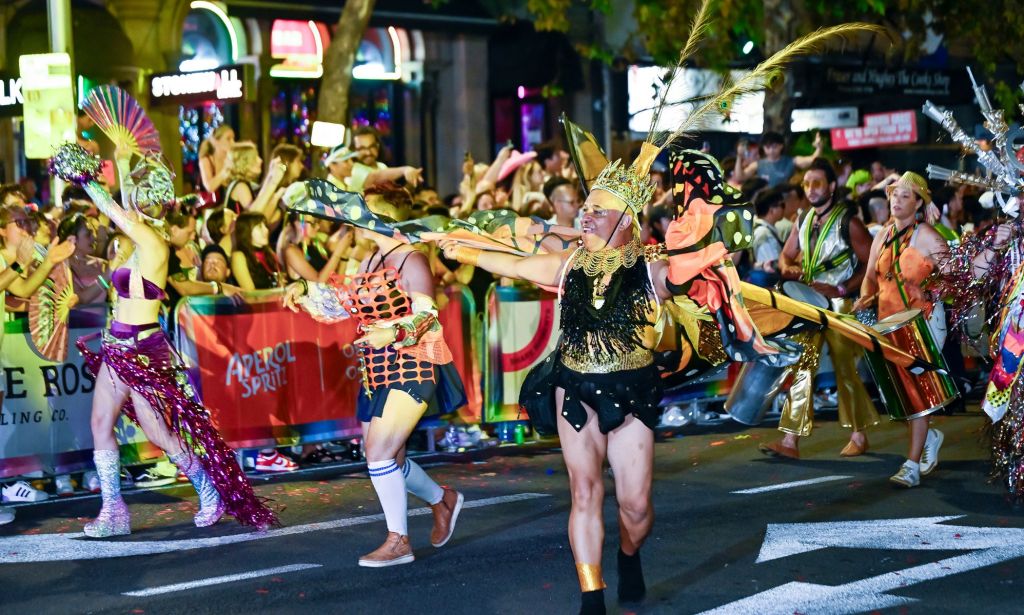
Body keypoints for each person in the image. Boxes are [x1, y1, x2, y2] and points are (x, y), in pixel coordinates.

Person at [442, 154, 671, 614]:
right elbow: (512, 264)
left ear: (626, 221)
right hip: (575, 389)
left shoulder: (652, 272)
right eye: (585, 207)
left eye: (598, 210)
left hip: (632, 393)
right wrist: (462, 249)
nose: (586, 215)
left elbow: (691, 273)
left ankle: (629, 554)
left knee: (636, 507)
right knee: (584, 490)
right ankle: (592, 596)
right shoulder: (567, 266)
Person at [48, 140, 276, 535]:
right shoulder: (135, 240)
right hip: (117, 344)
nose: (136, 200)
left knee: (158, 433)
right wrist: (120, 162)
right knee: (100, 422)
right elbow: (123, 210)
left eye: (141, 195)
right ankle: (114, 511)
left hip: (142, 349)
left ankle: (207, 488)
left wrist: (86, 178)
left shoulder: (153, 243)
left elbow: (115, 210)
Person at [283, 181, 466, 568]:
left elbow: (426, 315)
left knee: (378, 453)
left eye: (366, 211)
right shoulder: (368, 261)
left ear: (384, 220)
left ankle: (398, 541)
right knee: (390, 460)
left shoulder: (411, 259)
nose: (357, 217)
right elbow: (343, 303)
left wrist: (393, 332)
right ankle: (442, 499)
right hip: (375, 372)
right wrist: (303, 288)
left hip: (413, 365)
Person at [760, 158, 878, 459]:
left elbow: (870, 264)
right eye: (807, 184)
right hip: (809, 303)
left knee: (845, 368)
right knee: (801, 363)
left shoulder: (848, 222)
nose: (810, 190)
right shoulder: (803, 220)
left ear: (832, 186)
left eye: (817, 183)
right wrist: (791, 270)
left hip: (840, 304)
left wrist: (841, 289)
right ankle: (789, 441)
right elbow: (787, 256)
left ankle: (859, 434)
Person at [852, 172, 949, 487]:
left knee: (917, 393)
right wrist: (863, 298)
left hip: (923, 322)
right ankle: (929, 436)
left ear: (919, 203)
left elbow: (956, 279)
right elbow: (870, 275)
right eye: (894, 194)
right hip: (888, 322)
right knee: (904, 392)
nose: (896, 200)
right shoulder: (882, 234)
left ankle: (910, 465)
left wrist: (935, 291)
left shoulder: (929, 237)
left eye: (906, 195)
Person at [734, 131, 823, 188]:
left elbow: (812, 160)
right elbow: (740, 177)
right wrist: (739, 156)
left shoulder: (791, 161)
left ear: (781, 146)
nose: (771, 150)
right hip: (765, 203)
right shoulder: (758, 164)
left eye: (774, 146)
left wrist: (819, 148)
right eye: (768, 147)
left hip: (786, 202)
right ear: (763, 147)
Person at [749, 188, 785, 286]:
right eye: (782, 205)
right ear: (771, 210)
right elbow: (772, 269)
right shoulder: (764, 234)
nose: (783, 209)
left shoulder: (755, 227)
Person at [198, 125, 235, 196]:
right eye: (228, 139)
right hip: (214, 204)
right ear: (216, 141)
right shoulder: (206, 160)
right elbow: (209, 187)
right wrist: (225, 170)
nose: (233, 142)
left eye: (233, 138)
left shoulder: (231, 157)